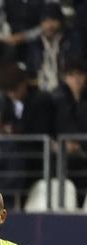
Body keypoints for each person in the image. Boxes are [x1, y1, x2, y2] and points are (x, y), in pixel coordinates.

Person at [24, 3, 84, 93]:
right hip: (43, 92)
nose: (49, 25)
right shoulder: (36, 45)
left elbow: (77, 67)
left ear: (60, 20)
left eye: (53, 20)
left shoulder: (73, 40)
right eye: (45, 21)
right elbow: (31, 72)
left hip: (68, 91)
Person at [54, 59, 87, 196]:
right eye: (71, 75)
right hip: (65, 159)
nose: (76, 79)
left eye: (80, 74)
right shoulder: (56, 101)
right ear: (64, 78)